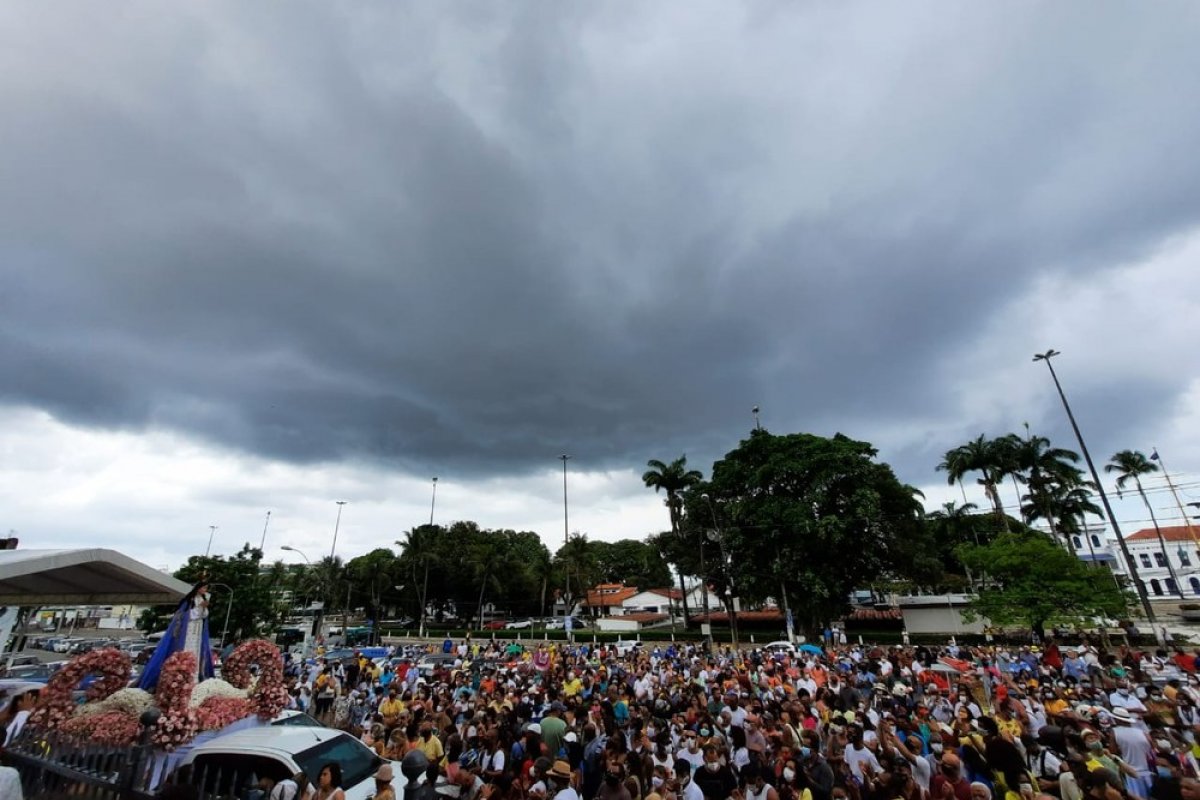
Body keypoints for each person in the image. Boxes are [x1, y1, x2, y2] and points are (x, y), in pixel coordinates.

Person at [137, 580, 214, 689]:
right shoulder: (190, 600)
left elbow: (204, 615)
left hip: (198, 629)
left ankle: (195, 677)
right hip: (189, 629)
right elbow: (188, 615)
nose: (205, 590)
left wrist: (204, 608)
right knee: (187, 650)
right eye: (204, 588)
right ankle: (184, 675)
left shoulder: (203, 599)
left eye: (206, 588)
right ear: (198, 588)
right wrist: (199, 608)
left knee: (196, 652)